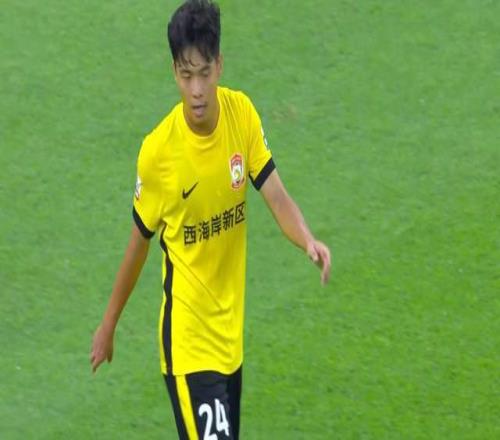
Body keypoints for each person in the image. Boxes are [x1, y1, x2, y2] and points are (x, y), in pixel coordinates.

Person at [90, 0, 331, 438]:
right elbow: (138, 243)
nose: (197, 89)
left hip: (229, 339)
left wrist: (308, 240)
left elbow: (276, 195)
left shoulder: (241, 115)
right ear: (174, 73)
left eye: (204, 73)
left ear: (220, 65)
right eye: (186, 75)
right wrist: (109, 325)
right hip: (187, 344)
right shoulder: (159, 153)